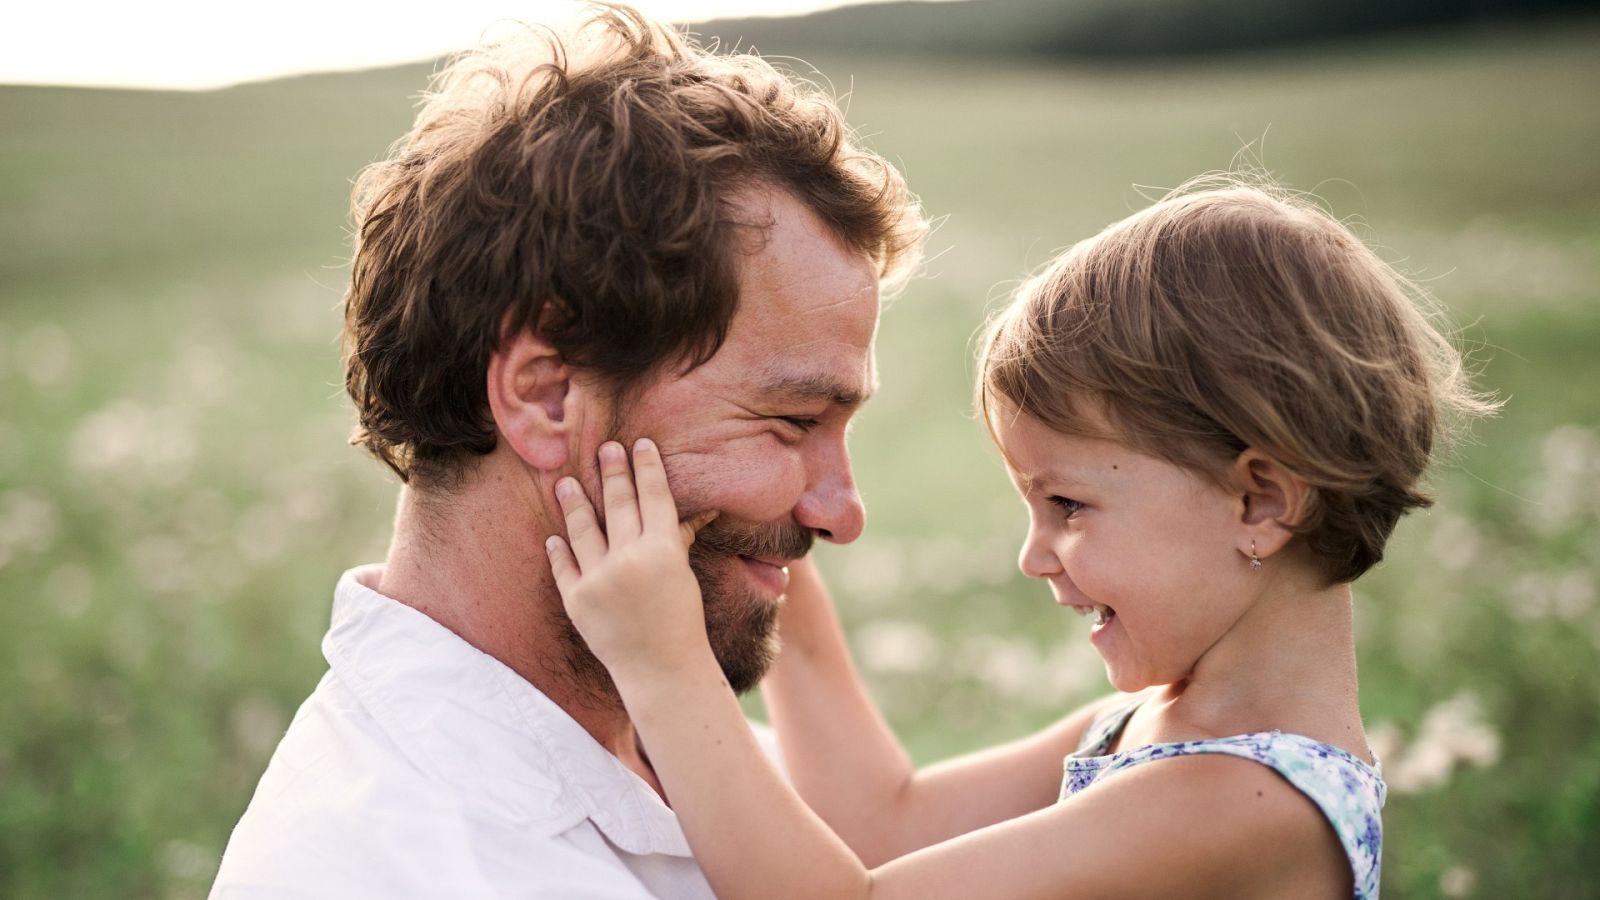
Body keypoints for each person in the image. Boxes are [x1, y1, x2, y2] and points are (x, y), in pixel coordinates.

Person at [547, 179, 1496, 899]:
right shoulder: (1152, 729)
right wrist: (772, 555)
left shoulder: (1251, 802)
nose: (1033, 555)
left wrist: (667, 666)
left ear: (1260, 503)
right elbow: (885, 824)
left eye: (1069, 506)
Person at [209, 3, 925, 897]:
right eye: (791, 421)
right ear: (546, 396)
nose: (840, 513)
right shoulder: (404, 864)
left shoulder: (695, 759)